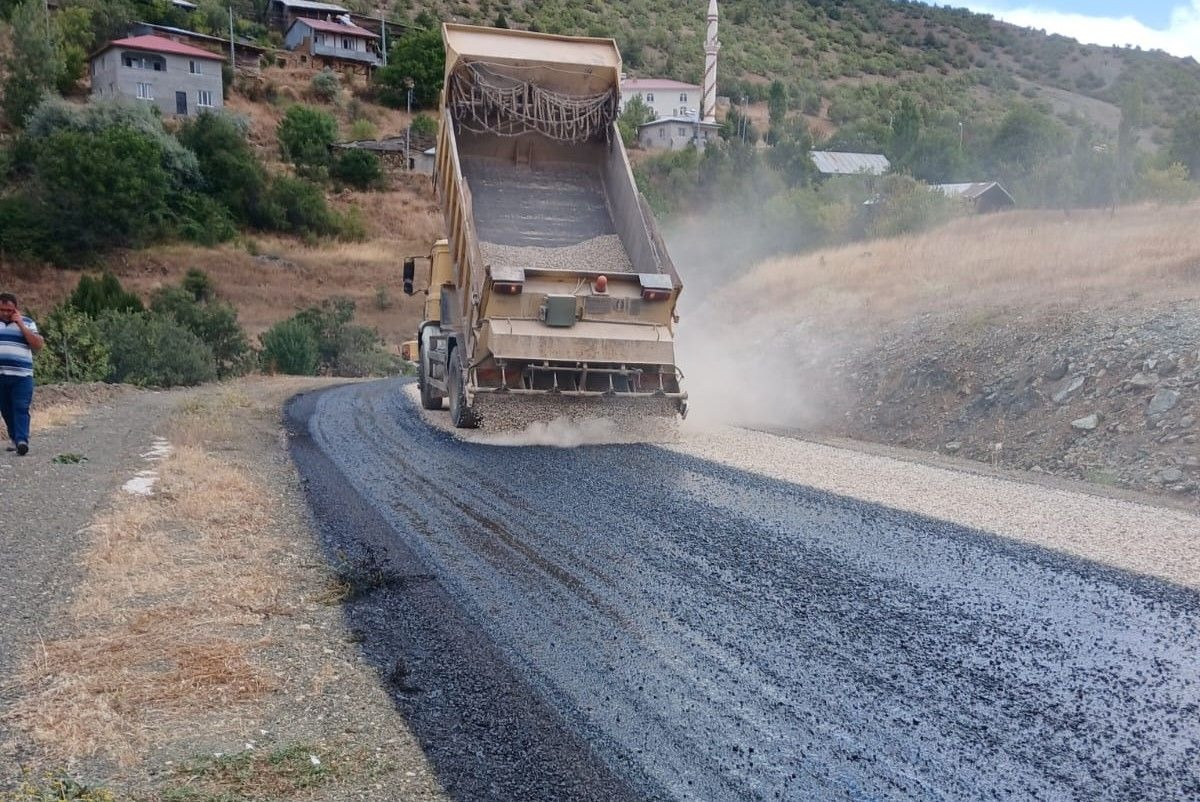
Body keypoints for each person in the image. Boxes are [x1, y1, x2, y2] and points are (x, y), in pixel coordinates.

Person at [0, 293, 44, 456]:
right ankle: (14, 438)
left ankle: (22, 441)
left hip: (22, 376)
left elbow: (38, 345)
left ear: (16, 309)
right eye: (2, 310)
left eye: (9, 310)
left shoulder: (27, 322)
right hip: (1, 375)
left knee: (20, 407)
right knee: (6, 409)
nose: (5, 313)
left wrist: (21, 325)